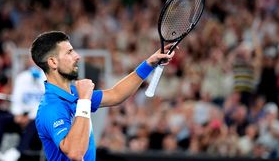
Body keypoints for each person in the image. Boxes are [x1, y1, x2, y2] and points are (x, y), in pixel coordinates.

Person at [31, 31, 174, 161]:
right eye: (69, 52)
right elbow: (75, 153)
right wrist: (84, 101)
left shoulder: (74, 93)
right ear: (53, 62)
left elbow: (116, 95)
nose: (77, 56)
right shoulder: (51, 108)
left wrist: (149, 64)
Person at [0, 62, 46, 161]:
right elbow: (16, 97)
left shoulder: (47, 78)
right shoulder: (22, 77)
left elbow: (46, 102)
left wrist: (29, 117)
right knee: (2, 118)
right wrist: (18, 114)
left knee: (34, 123)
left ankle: (16, 152)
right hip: (20, 116)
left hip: (37, 120)